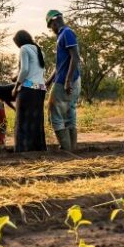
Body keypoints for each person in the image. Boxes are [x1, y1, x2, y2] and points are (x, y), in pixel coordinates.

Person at [45, 10, 80, 151]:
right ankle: (71, 148)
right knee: (69, 112)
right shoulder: (63, 35)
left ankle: (66, 148)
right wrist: (48, 81)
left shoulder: (66, 33)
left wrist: (67, 81)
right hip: (65, 79)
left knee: (55, 112)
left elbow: (75, 57)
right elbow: (61, 64)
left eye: (50, 26)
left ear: (53, 22)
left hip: (65, 81)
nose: (51, 30)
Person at [12, 30, 47, 152]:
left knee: (23, 120)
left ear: (19, 41)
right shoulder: (39, 50)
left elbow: (25, 70)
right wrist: (17, 76)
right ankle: (38, 148)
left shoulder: (24, 48)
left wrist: (16, 86)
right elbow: (39, 71)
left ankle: (23, 148)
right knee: (36, 120)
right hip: (41, 88)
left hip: (28, 88)